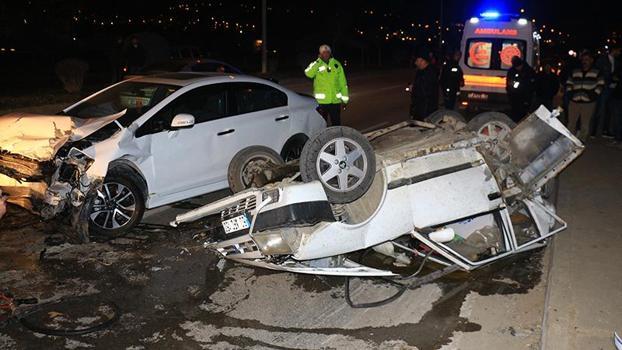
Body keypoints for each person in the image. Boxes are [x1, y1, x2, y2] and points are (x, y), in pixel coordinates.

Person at [304, 45, 349, 126]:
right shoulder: (316, 64)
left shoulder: (337, 64)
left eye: (327, 52)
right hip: (321, 103)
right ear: (320, 54)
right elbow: (308, 73)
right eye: (323, 52)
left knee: (336, 125)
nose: (326, 54)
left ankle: (336, 138)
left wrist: (345, 100)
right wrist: (318, 61)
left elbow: (343, 83)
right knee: (321, 125)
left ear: (330, 53)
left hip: (335, 101)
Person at [566, 51, 605, 142]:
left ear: (591, 60)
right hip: (574, 100)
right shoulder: (576, 71)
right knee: (571, 122)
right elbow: (569, 82)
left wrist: (594, 95)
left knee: (585, 123)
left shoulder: (596, 72)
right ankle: (568, 139)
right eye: (583, 59)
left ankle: (581, 140)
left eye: (587, 59)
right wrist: (570, 93)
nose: (585, 61)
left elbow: (601, 84)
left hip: (588, 102)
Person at [594, 46, 621, 137]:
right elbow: (598, 73)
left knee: (609, 110)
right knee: (600, 109)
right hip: (604, 87)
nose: (619, 53)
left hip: (613, 88)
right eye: (618, 50)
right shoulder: (602, 60)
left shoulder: (617, 62)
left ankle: (606, 130)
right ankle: (596, 130)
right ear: (614, 50)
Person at [506, 56, 536, 122]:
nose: (517, 68)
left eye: (518, 66)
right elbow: (509, 84)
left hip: (525, 97)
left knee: (524, 115)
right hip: (514, 97)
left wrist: (528, 98)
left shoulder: (529, 71)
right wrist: (510, 93)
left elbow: (532, 85)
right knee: (514, 114)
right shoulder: (512, 71)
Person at [409, 53, 439, 120]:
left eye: (417, 60)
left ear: (423, 61)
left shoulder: (430, 73)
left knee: (423, 128)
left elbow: (426, 91)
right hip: (419, 108)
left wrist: (413, 88)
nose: (415, 63)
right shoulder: (420, 71)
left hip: (426, 110)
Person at [610, 62, 622, 146]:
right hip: (618, 95)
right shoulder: (620, 66)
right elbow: (613, 77)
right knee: (616, 118)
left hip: (618, 95)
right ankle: (617, 138)